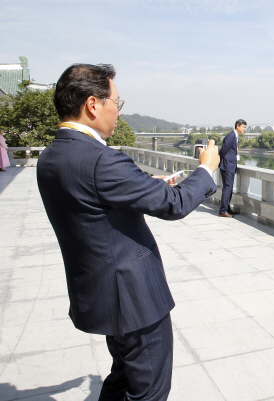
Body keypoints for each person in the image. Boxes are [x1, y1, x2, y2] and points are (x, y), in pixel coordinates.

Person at [37, 63, 220, 400]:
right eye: (116, 103)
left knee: (121, 376)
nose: (119, 113)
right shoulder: (100, 160)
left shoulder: (51, 156)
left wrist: (140, 186)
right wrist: (206, 172)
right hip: (133, 298)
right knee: (149, 390)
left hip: (102, 294)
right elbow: (174, 205)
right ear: (93, 104)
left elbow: (89, 203)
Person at [218, 119, 246, 217]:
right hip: (227, 166)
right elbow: (223, 150)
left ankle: (227, 208)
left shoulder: (235, 136)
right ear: (237, 126)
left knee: (229, 188)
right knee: (227, 188)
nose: (244, 129)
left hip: (230, 165)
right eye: (243, 127)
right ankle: (223, 211)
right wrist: (224, 162)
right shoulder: (231, 136)